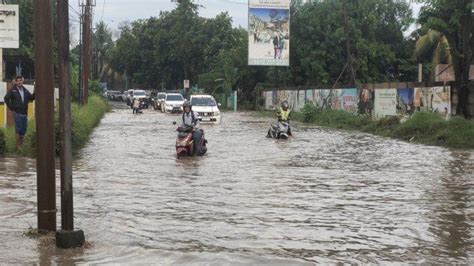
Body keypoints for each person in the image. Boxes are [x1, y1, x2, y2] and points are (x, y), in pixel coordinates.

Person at [4, 76, 35, 149]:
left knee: (23, 130)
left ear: (22, 81)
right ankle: (18, 146)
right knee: (18, 129)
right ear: (16, 82)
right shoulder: (13, 90)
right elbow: (6, 98)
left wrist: (35, 90)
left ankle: (21, 145)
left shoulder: (25, 90)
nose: (19, 82)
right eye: (18, 81)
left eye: (20, 80)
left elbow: (31, 98)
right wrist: (11, 107)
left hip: (25, 113)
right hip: (17, 113)